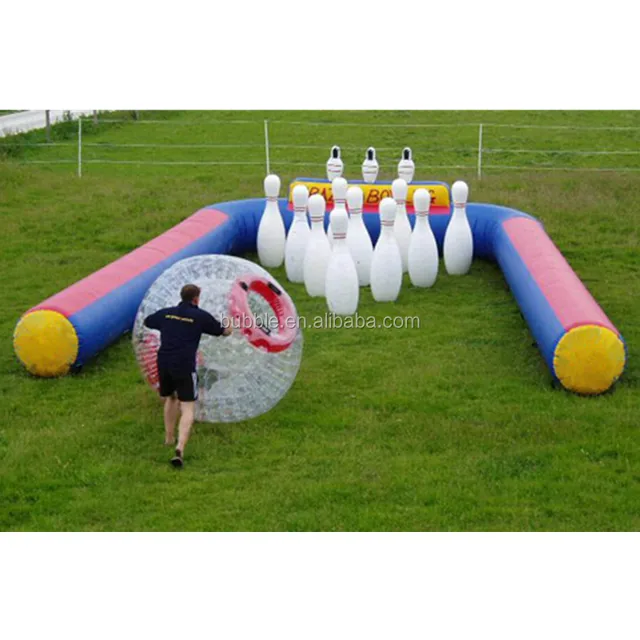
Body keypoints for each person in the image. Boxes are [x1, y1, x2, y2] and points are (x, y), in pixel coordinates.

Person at [144, 284, 232, 468]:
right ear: (196, 299)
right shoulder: (200, 316)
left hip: (164, 361)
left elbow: (148, 321)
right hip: (184, 364)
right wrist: (230, 324)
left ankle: (168, 438)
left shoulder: (167, 313)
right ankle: (179, 449)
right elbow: (222, 331)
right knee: (188, 406)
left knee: (170, 398)